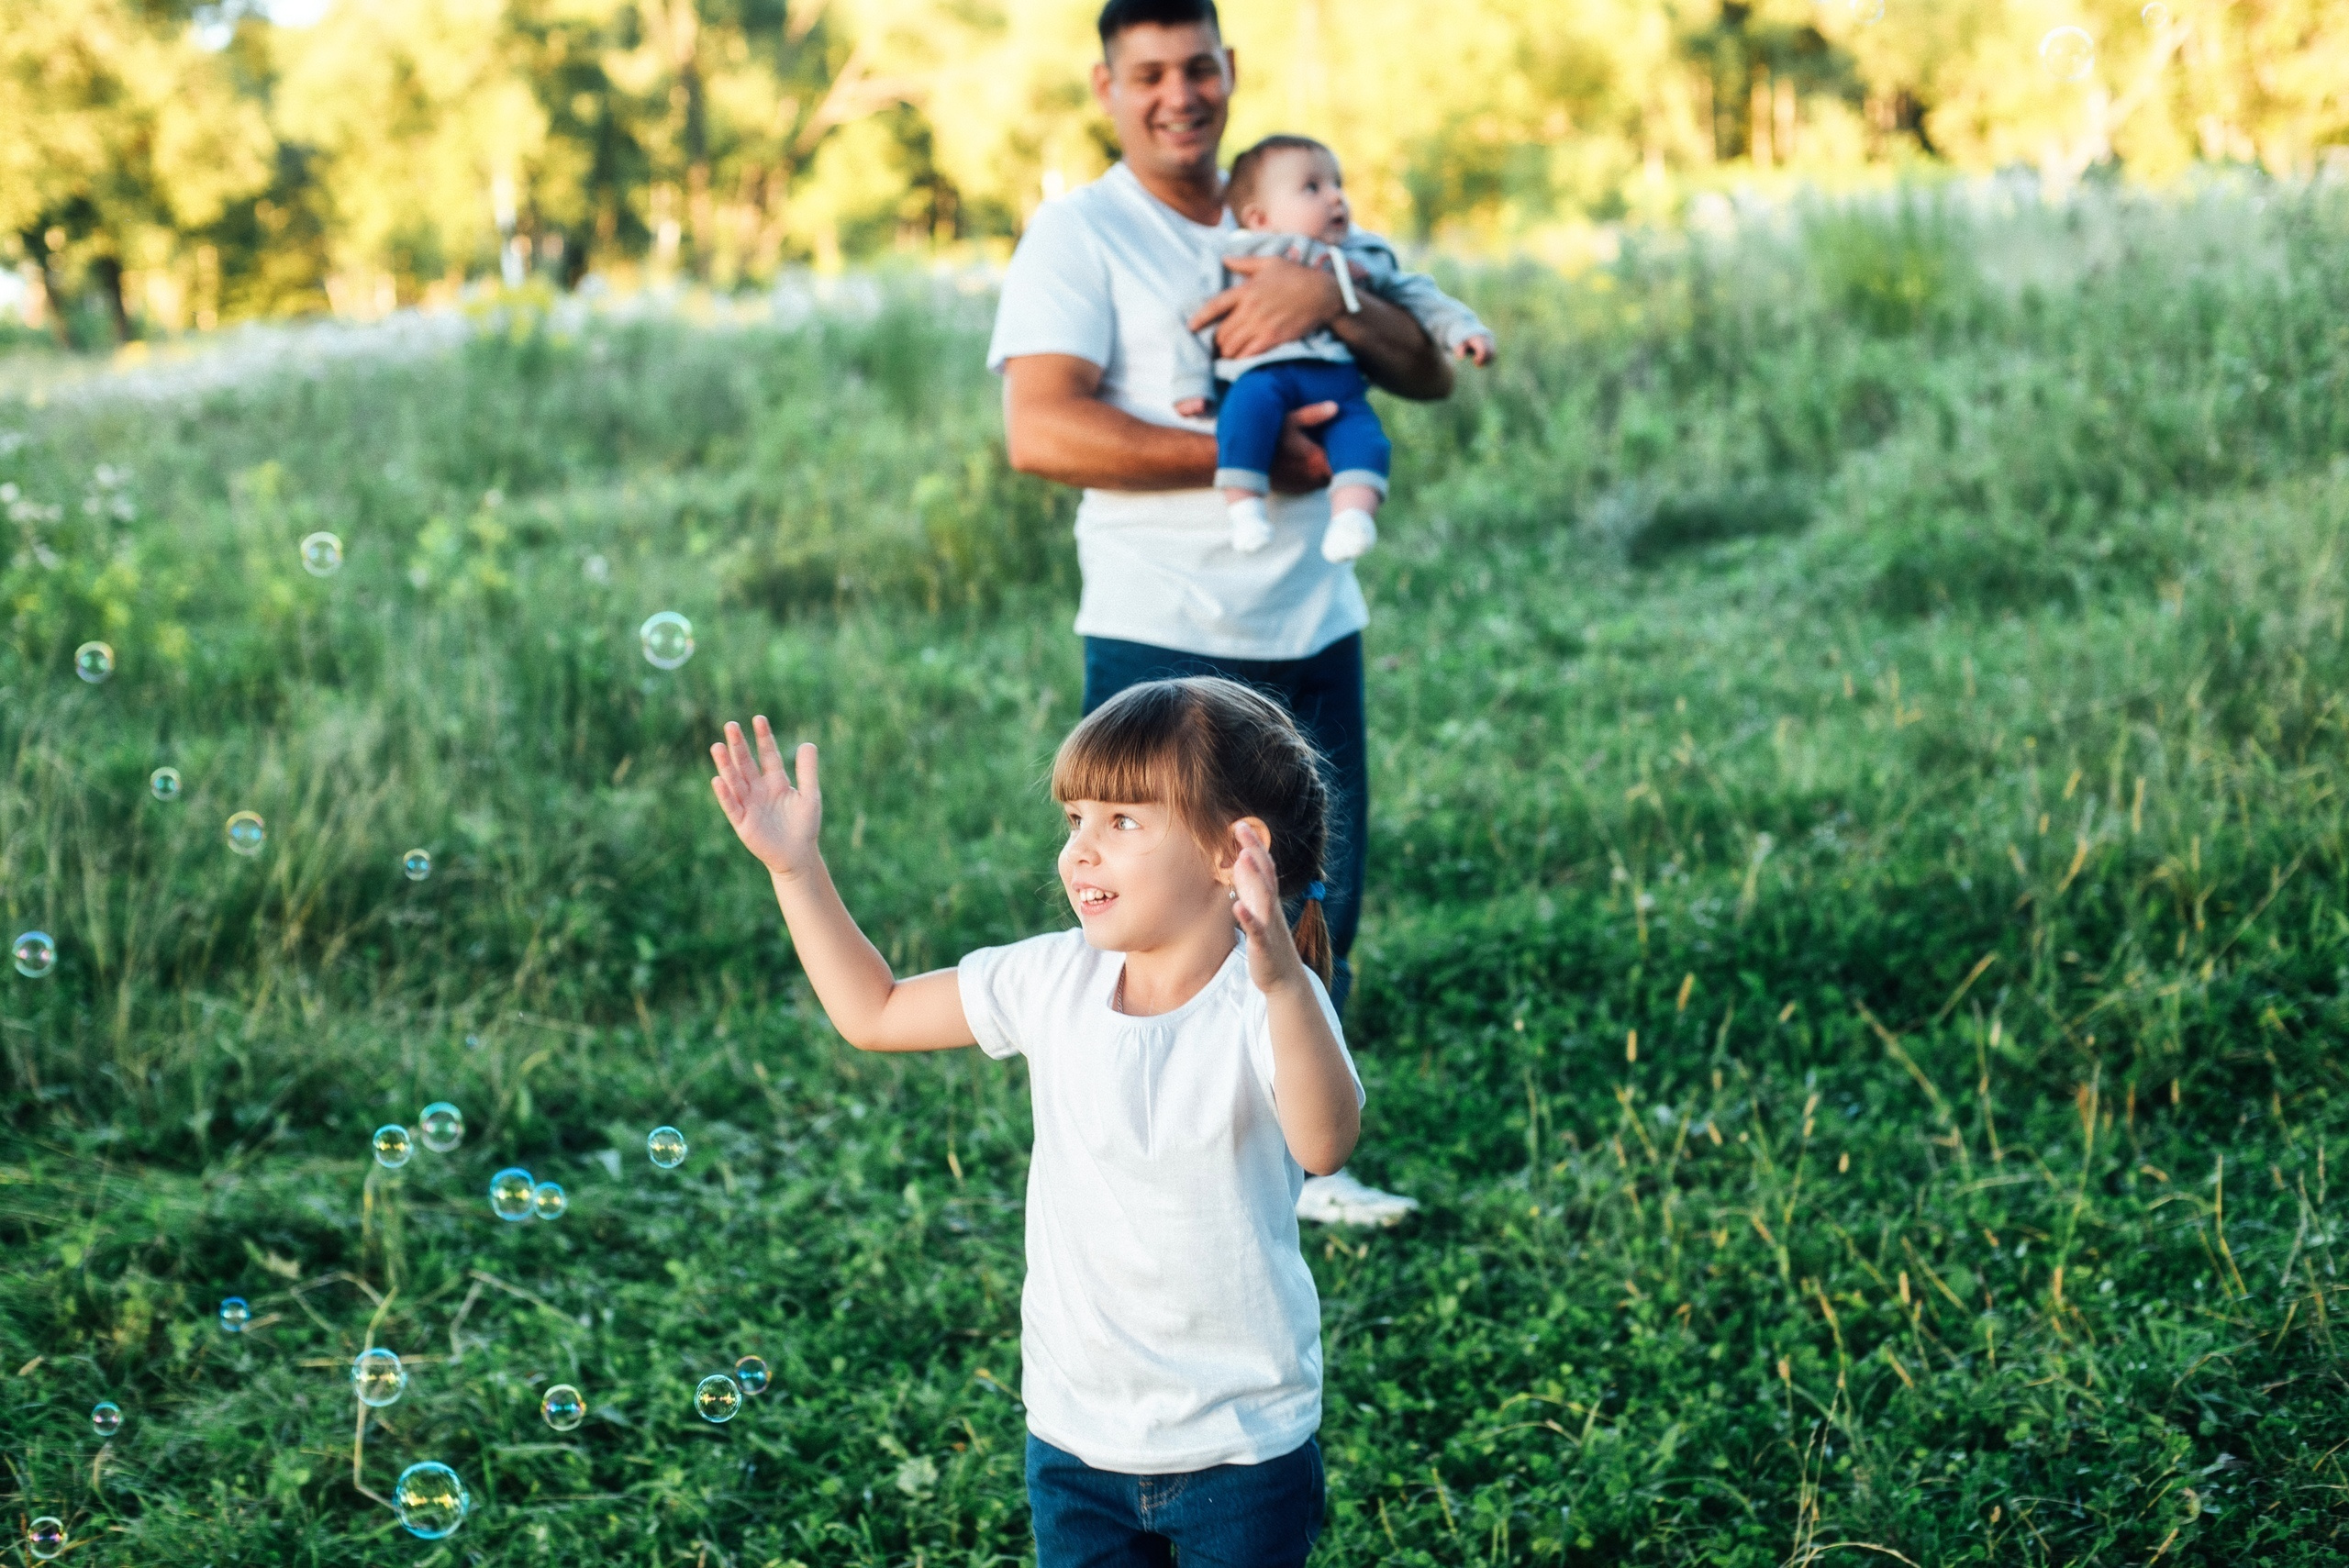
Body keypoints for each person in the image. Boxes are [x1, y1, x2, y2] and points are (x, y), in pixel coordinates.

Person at [707, 681, 1363, 1568]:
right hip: (1075, 1436)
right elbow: (875, 1011)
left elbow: (1324, 1144)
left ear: (1232, 849)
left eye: (1121, 821)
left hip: (1241, 1445)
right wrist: (796, 868)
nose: (1080, 849)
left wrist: (1283, 981)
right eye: (1074, 819)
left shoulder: (1270, 1005)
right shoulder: (1053, 979)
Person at [993, 0, 1447, 1227]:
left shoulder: (1293, 206)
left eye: (1197, 67)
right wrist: (1248, 461)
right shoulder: (1081, 233)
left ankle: (1308, 1168)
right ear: (1107, 87)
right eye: (1148, 74)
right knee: (1154, 915)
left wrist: (1326, 298)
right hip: (1166, 628)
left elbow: (1427, 365)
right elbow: (1041, 429)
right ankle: (1143, 1165)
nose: (1178, 95)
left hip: (1312, 621)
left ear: (1229, 69)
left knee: (1314, 895)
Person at [1171, 135, 1496, 563]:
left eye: (1337, 184)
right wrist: (1191, 383)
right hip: (1260, 373)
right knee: (1243, 418)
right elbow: (1194, 319)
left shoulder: (1361, 257)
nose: (1336, 197)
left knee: (1364, 438)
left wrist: (1461, 329)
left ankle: (1354, 519)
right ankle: (1245, 511)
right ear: (1260, 218)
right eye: (1312, 187)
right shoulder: (1232, 257)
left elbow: (1417, 294)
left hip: (1336, 379)